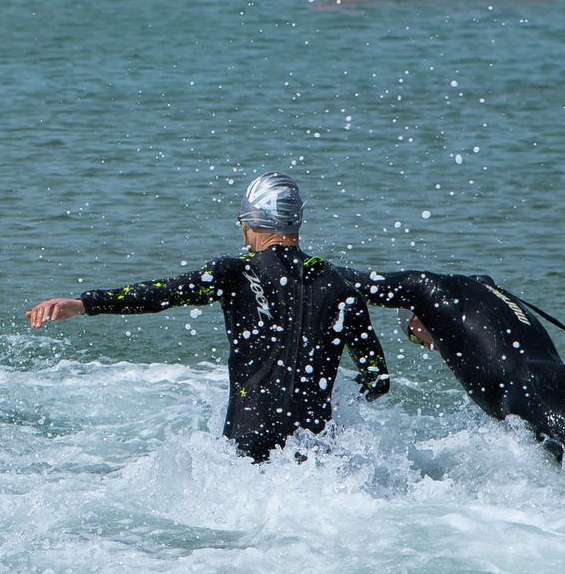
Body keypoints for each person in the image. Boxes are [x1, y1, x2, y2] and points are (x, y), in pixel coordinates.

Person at [26, 174, 390, 462]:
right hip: (316, 449)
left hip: (248, 441)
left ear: (249, 222)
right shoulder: (340, 286)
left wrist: (84, 303)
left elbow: (161, 294)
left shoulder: (235, 272)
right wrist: (337, 395)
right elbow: (377, 380)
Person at [358, 269, 565, 502]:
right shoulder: (487, 295)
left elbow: (356, 281)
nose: (427, 346)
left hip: (537, 398)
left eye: (415, 337)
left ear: (417, 320)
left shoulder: (438, 298)